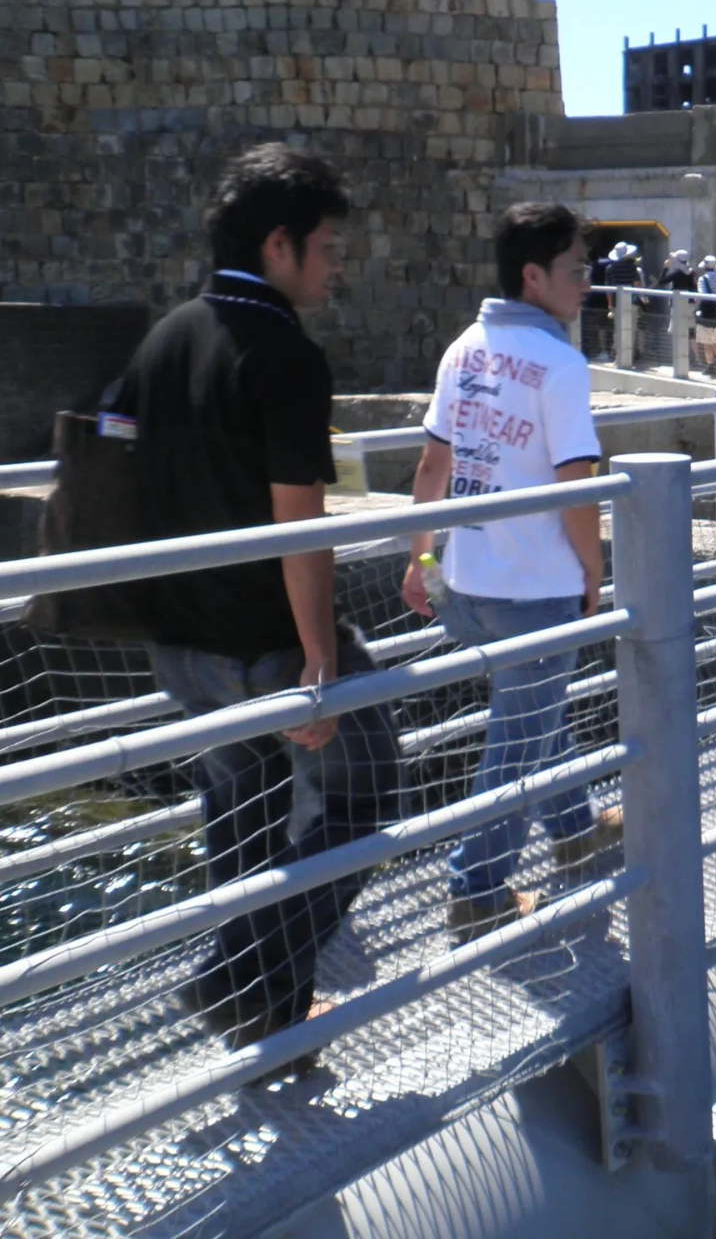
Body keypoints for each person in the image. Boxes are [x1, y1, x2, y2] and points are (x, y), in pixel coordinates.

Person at [123, 143, 402, 1056]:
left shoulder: (166, 336)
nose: (337, 265)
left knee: (239, 818)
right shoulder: (282, 351)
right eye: (327, 247)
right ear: (278, 246)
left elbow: (112, 441)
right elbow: (299, 524)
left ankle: (273, 1014)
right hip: (264, 644)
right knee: (366, 789)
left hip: (175, 638)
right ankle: (230, 978)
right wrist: (319, 656)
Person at [403, 201, 619, 943]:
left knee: (535, 711)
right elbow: (577, 482)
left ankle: (574, 827)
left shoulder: (463, 347)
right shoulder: (560, 363)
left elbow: (434, 463)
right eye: (576, 269)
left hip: (467, 580)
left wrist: (420, 557)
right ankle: (476, 887)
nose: (586, 282)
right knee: (517, 739)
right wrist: (593, 572)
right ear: (534, 277)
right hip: (535, 584)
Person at [693, 254, 716, 377]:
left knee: (707, 343)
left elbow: (703, 295)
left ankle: (711, 367)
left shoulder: (703, 279)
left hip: (708, 313)